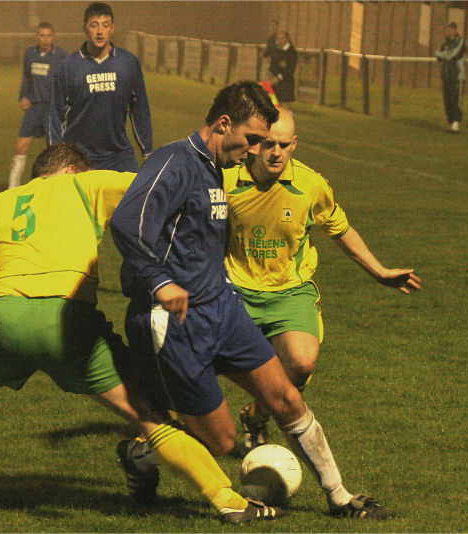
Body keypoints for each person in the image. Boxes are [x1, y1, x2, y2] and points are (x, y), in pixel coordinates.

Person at [0, 143, 279, 525]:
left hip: (4, 316)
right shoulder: (83, 185)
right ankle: (229, 501)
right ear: (70, 171)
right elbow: (154, 188)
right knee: (147, 415)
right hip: (66, 318)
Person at [110, 81, 392, 520]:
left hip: (222, 308)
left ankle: (340, 497)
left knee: (286, 398)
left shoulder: (215, 167)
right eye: (253, 139)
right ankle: (141, 451)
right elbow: (129, 222)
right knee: (221, 441)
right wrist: (159, 281)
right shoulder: (175, 161)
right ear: (224, 123)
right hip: (175, 322)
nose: (256, 150)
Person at [222, 110, 422, 456]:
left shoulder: (310, 185)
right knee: (197, 360)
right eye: (268, 144)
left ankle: (256, 414)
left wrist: (379, 271)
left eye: (284, 145)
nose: (276, 153)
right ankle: (166, 430)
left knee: (301, 364)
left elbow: (339, 228)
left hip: (290, 290)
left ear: (294, 144)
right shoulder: (226, 180)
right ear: (254, 144)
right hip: (236, 290)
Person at [48, 2, 152, 172]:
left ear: (112, 28)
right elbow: (55, 115)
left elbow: (140, 109)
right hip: (78, 159)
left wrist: (147, 151)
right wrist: (56, 158)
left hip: (119, 157)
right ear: (85, 28)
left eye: (105, 25)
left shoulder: (128, 63)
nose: (100, 31)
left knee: (133, 198)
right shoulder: (68, 67)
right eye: (94, 25)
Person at [6, 22, 67, 189]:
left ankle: (57, 188)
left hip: (52, 110)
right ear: (37, 37)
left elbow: (68, 81)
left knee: (55, 152)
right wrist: (23, 96)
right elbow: (26, 77)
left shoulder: (61, 55)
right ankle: (12, 189)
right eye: (42, 35)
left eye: (48, 35)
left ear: (53, 37)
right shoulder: (30, 54)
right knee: (20, 147)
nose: (45, 39)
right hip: (34, 108)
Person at [435, 22, 467, 133]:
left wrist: (446, 54)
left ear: (455, 30)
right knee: (447, 101)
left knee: (456, 100)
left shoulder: (460, 41)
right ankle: (451, 121)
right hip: (446, 76)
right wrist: (446, 54)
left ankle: (456, 124)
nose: (449, 31)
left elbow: (455, 54)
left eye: (451, 29)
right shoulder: (445, 42)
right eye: (447, 29)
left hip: (457, 75)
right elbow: (438, 54)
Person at [266, 31, 297, 111]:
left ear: (287, 39)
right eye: (278, 38)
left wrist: (278, 78)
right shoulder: (276, 50)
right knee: (273, 107)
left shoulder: (292, 52)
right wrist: (270, 74)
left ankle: (289, 122)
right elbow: (272, 65)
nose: (280, 40)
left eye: (282, 38)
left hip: (286, 84)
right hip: (274, 83)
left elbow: (290, 70)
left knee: (285, 109)